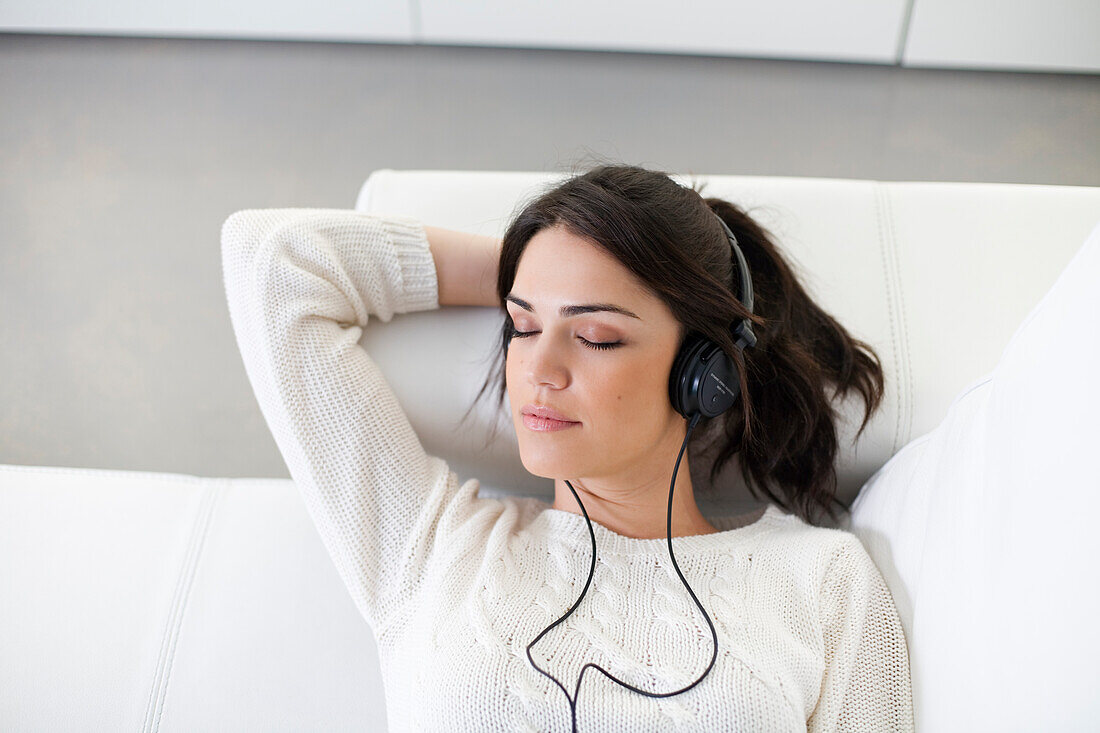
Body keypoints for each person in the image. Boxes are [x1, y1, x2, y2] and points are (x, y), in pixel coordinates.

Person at [220, 163, 915, 732]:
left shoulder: (822, 580)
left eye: (597, 336)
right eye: (522, 326)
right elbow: (273, 262)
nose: (539, 370)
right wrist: (537, 267)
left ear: (703, 374)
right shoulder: (432, 549)